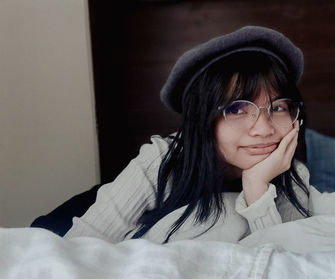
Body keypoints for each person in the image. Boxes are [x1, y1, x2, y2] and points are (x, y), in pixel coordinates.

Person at [64, 26, 317, 244]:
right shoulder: (161, 161)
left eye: (279, 107)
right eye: (238, 108)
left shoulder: (293, 176)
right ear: (203, 119)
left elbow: (287, 262)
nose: (263, 129)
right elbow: (78, 245)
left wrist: (257, 187)